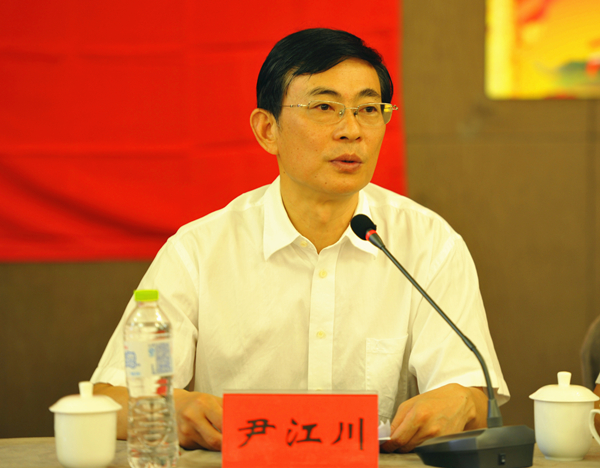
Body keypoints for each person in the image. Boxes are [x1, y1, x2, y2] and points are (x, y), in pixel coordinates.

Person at [92, 28, 509, 453]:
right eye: (325, 107)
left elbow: (474, 400)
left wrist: (462, 401)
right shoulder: (199, 250)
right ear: (267, 129)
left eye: (368, 109)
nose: (351, 130)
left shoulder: (429, 244)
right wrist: (174, 408)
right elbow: (110, 399)